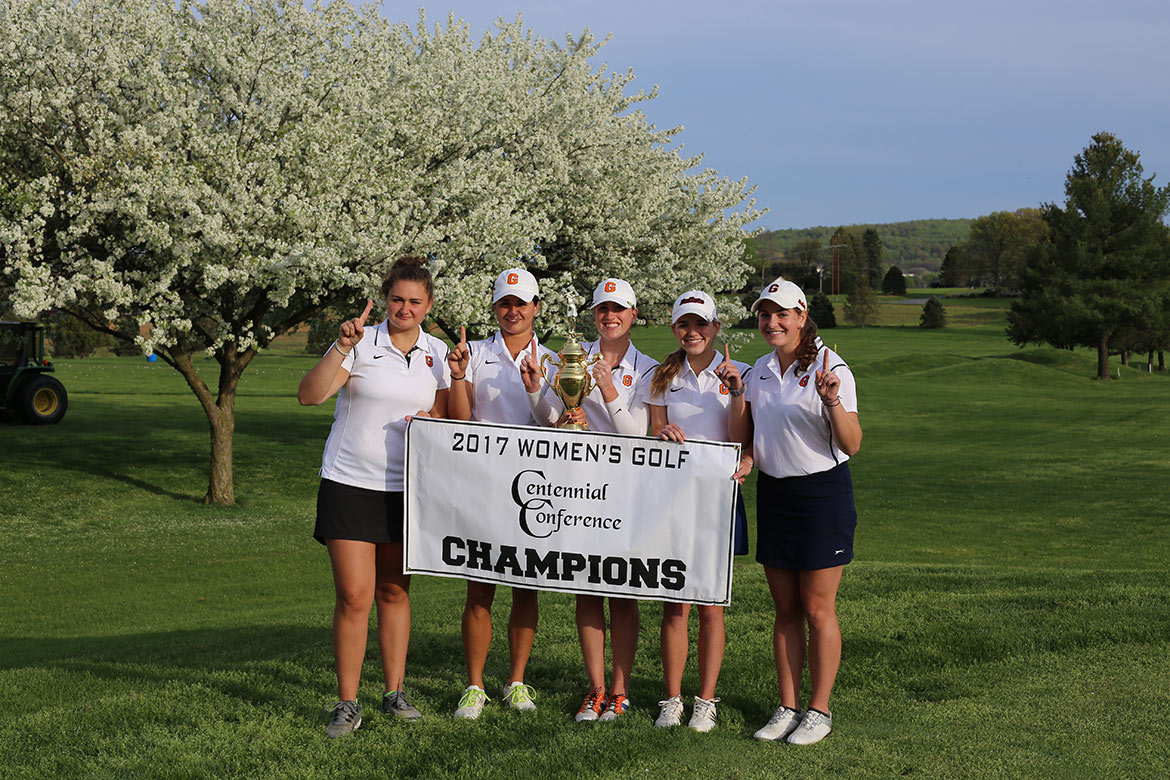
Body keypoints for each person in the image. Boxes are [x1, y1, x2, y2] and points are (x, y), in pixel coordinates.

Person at [297, 257, 451, 738]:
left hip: (408, 489)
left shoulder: (438, 353)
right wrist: (342, 347)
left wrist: (430, 422)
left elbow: (445, 417)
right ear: (385, 299)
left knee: (394, 591)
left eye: (414, 301)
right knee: (355, 595)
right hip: (349, 483)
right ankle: (346, 703)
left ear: (428, 306)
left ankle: (394, 692)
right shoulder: (359, 342)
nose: (404, 309)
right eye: (397, 299)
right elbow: (309, 396)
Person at [725, 278, 862, 746]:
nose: (773, 322)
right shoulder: (760, 369)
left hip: (822, 495)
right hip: (776, 496)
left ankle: (818, 710)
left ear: (802, 316)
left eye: (782, 314)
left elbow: (853, 443)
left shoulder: (831, 366)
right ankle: (787, 706)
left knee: (818, 608)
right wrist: (737, 396)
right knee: (785, 609)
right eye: (765, 314)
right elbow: (748, 436)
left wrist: (832, 400)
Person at [445, 267, 562, 719]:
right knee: (480, 587)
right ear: (495, 308)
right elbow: (459, 419)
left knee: (525, 587)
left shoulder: (554, 360)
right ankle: (474, 685)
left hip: (534, 488)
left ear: (536, 307)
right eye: (504, 303)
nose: (512, 311)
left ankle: (517, 680)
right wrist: (457, 376)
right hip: (483, 484)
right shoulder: (472, 354)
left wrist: (537, 385)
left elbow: (556, 423)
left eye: (521, 303)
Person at [645, 290, 752, 733]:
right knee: (675, 605)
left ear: (716, 328)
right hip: (673, 497)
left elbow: (742, 438)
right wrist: (663, 430)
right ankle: (671, 699)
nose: (693, 332)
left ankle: (705, 700)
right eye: (685, 325)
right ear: (675, 329)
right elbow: (654, 433)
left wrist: (736, 393)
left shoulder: (741, 373)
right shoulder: (662, 375)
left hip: (719, 495)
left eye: (701, 324)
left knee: (711, 605)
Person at [570, 278, 659, 723]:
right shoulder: (572, 357)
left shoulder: (649, 369)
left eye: (618, 310)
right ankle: (595, 689)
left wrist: (605, 389)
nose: (610, 317)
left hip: (625, 491)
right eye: (603, 309)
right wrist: (549, 401)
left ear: (633, 315)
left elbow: (635, 436)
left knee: (621, 593)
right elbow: (549, 418)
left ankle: (620, 692)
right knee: (586, 592)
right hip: (579, 488)